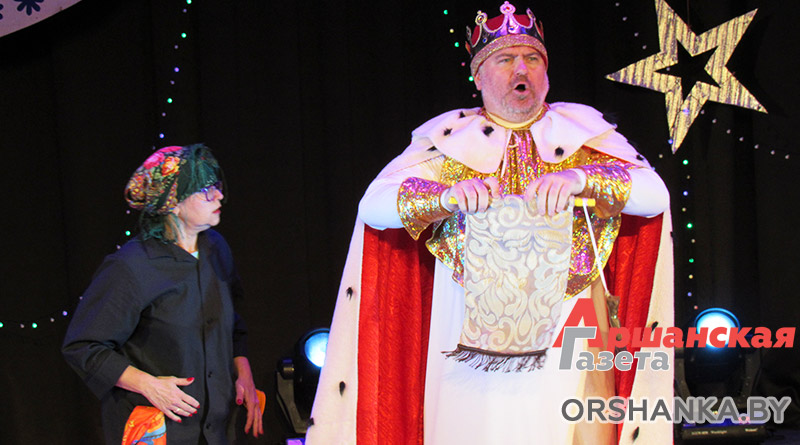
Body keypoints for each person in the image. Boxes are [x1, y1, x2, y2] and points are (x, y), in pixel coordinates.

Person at [307, 2, 674, 445]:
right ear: (478, 76)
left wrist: (583, 179)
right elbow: (372, 206)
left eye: (532, 58)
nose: (522, 68)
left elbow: (656, 196)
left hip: (567, 315)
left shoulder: (583, 134)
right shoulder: (448, 141)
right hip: (468, 324)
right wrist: (443, 197)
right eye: (505, 59)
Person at [62, 144, 264, 444]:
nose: (219, 196)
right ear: (173, 204)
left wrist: (243, 372)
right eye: (205, 190)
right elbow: (83, 346)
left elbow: (232, 322)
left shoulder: (216, 249)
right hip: (157, 430)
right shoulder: (131, 267)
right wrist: (148, 385)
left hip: (215, 430)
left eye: (217, 187)